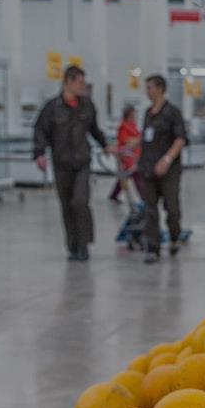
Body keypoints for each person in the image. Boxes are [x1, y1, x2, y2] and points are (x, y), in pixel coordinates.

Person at [33, 66, 113, 262]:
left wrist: (105, 145)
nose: (83, 86)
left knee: (80, 201)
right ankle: (73, 246)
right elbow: (41, 131)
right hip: (61, 164)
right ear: (68, 82)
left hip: (82, 162)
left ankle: (84, 244)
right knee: (67, 205)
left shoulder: (87, 106)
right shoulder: (52, 108)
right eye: (80, 82)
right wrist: (39, 154)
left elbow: (94, 129)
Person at [133, 74, 187, 263]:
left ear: (160, 89)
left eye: (150, 87)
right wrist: (133, 147)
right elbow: (147, 137)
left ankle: (174, 237)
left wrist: (167, 159)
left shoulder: (173, 113)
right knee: (150, 209)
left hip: (169, 170)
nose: (147, 91)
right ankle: (153, 248)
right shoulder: (148, 113)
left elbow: (180, 139)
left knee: (172, 208)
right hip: (148, 168)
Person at [107, 104, 140, 204]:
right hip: (126, 155)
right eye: (132, 115)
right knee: (135, 174)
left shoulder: (133, 125)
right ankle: (143, 196)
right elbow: (125, 140)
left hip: (134, 154)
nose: (134, 117)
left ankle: (114, 195)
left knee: (124, 176)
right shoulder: (123, 127)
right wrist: (136, 140)